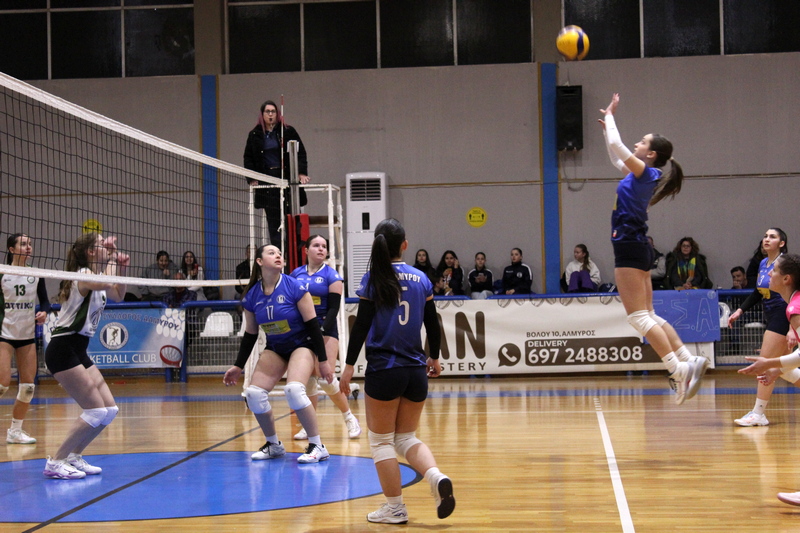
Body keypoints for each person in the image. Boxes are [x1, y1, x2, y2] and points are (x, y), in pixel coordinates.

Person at [340, 218, 454, 524]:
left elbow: (361, 326)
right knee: (405, 438)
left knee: (381, 442)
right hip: (415, 370)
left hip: (384, 370)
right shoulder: (421, 278)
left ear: (377, 244)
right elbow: (433, 324)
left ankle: (395, 508)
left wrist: (348, 366)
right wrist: (435, 358)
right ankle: (435, 476)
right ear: (404, 245)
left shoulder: (373, 279)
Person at [599, 92, 707, 405]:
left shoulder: (646, 173)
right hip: (637, 246)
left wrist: (611, 116)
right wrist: (607, 131)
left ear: (651, 154)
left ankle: (678, 370)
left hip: (629, 246)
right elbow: (616, 157)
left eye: (642, 142)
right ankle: (688, 359)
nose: (637, 143)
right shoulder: (643, 174)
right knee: (648, 314)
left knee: (638, 318)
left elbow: (619, 146)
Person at [223, 244, 333, 464]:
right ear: (259, 262)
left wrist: (323, 360)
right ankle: (273, 444)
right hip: (276, 347)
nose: (278, 255)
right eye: (271, 253)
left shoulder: (295, 286)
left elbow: (313, 326)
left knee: (294, 390)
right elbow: (250, 334)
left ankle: (317, 446)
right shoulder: (251, 296)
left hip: (302, 344)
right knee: (253, 394)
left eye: (280, 253)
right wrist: (238, 365)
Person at [42, 233, 129, 479]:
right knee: (95, 411)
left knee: (109, 410)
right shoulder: (83, 275)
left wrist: (121, 266)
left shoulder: (97, 278)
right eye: (101, 245)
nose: (105, 247)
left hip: (79, 348)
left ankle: (74, 456)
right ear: (91, 252)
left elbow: (118, 294)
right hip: (62, 347)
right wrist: (112, 257)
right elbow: (103, 284)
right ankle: (55, 462)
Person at [737, 253, 800, 507]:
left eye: (774, 271)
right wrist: (777, 369)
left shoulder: (795, 308)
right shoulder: (792, 303)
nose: (769, 274)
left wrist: (770, 363)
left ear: (786, 279)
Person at [289, 235, 361, 440]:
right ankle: (308, 426)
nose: (321, 249)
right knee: (308, 381)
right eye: (316, 245)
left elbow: (333, 309)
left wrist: (320, 331)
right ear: (306, 250)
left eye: (324, 246)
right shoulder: (295, 275)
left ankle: (349, 417)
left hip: (324, 328)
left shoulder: (332, 275)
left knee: (326, 379)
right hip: (302, 329)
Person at [729, 228, 796, 427]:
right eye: (765, 236)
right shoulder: (763, 263)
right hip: (770, 313)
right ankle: (758, 413)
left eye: (772, 237)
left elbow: (796, 293)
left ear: (782, 243)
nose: (766, 239)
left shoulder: (786, 263)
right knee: (784, 369)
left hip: (784, 313)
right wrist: (740, 310)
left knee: (766, 362)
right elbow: (758, 292)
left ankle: (758, 413)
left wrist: (793, 327)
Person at [2, 233, 51, 444]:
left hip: (27, 335)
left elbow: (45, 302)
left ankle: (15, 431)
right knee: (2, 385)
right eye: (23, 244)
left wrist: (44, 312)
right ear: (12, 249)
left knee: (28, 387)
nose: (28, 247)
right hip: (4, 334)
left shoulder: (36, 273)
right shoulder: (2, 272)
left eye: (30, 243)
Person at [243, 100, 310, 248]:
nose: (270, 114)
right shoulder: (254, 134)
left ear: (278, 114)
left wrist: (301, 173)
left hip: (287, 180)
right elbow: (248, 158)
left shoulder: (288, 131)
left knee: (292, 219)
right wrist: (252, 178)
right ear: (262, 115)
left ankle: (295, 251)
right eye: (267, 111)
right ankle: (279, 254)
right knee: (274, 223)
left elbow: (301, 153)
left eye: (273, 111)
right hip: (267, 181)